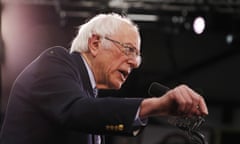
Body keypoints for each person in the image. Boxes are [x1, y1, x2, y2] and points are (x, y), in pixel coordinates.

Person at [0, 13, 208, 144]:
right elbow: (77, 111)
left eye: (138, 56)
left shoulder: (88, 93)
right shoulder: (55, 62)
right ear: (95, 44)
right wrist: (154, 106)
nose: (135, 63)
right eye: (129, 49)